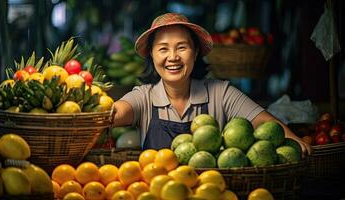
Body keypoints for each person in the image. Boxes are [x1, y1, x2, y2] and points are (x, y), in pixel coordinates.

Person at [113, 12, 312, 154]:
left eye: (182, 47)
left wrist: (296, 144)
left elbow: (267, 124)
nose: (173, 57)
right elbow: (114, 113)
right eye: (163, 49)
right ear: (151, 54)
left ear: (196, 52)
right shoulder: (144, 96)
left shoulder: (220, 93)